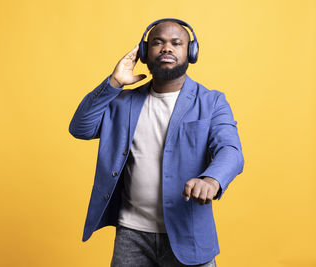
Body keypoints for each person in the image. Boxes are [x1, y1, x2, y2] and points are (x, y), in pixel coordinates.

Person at [69, 18, 244, 267]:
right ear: (144, 52)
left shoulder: (212, 102)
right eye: (157, 43)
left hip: (188, 234)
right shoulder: (122, 102)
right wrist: (114, 83)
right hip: (131, 235)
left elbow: (231, 151)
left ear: (190, 52)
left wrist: (212, 179)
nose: (166, 48)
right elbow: (80, 128)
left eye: (176, 43)